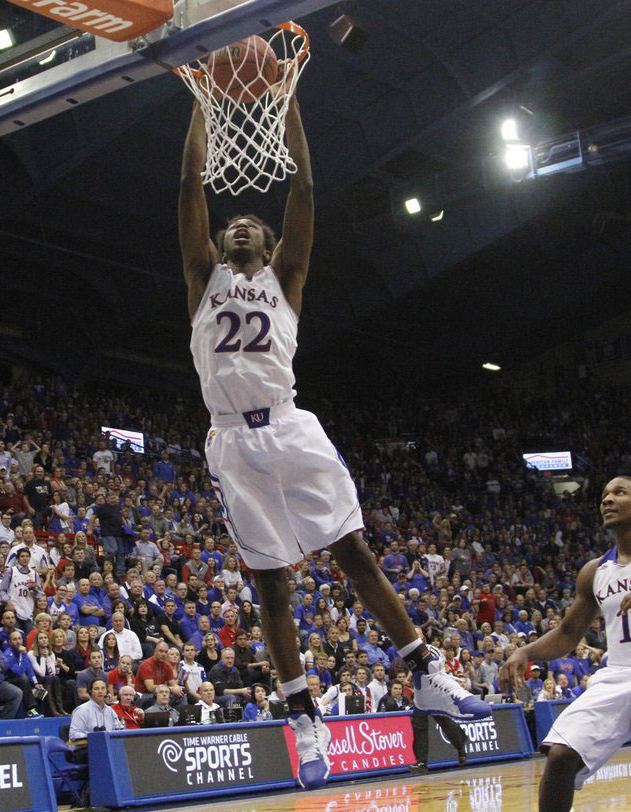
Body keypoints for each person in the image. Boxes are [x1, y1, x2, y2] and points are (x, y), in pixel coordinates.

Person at [179, 95, 489, 790]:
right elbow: (189, 184)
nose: (238, 230)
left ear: (271, 246)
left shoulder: (287, 283)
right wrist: (200, 102)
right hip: (231, 441)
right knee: (271, 586)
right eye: (230, 225)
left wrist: (289, 107)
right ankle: (302, 718)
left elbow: (306, 189)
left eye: (251, 226)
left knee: (353, 552)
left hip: (289, 426)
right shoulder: (203, 284)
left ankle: (426, 671)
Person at [500, 476, 631, 812]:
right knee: (561, 754)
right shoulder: (594, 571)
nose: (607, 500)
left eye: (620, 492)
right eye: (604, 495)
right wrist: (525, 650)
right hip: (619, 676)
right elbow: (569, 632)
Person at [68, 678, 122, 761]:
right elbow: (73, 734)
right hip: (83, 749)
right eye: (96, 689)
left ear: (106, 692)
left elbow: (118, 729)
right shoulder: (82, 710)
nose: (100, 691)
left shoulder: (110, 711)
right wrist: (93, 736)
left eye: (103, 688)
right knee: (103, 753)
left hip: (105, 747)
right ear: (90, 692)